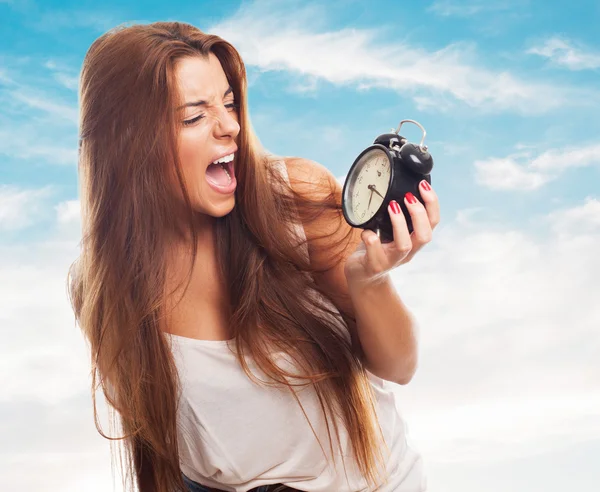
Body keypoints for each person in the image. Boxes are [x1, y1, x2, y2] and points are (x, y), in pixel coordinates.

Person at [67, 21, 440, 492]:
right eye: (194, 116)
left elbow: (399, 367)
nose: (230, 127)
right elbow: (179, 458)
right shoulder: (98, 288)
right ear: (127, 144)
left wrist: (371, 280)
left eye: (229, 103)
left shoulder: (295, 200)